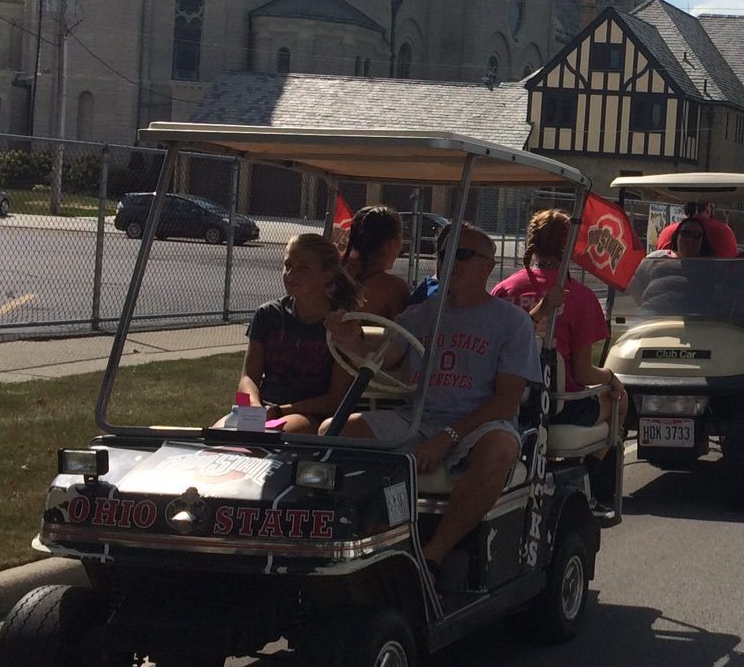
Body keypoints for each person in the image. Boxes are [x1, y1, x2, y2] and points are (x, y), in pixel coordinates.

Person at [336, 222, 541, 589]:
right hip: (419, 416)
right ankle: (367, 539)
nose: (452, 263)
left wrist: (447, 437)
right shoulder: (420, 315)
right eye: (445, 255)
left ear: (488, 266)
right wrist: (350, 340)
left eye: (463, 255)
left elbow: (506, 400)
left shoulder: (512, 322)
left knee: (500, 448)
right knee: (338, 431)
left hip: (478, 425)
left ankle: (432, 555)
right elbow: (383, 360)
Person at [492, 207, 625, 434]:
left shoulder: (504, 290)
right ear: (570, 244)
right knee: (620, 400)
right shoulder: (581, 296)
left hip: (511, 401)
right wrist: (612, 377)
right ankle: (596, 467)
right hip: (562, 405)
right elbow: (583, 373)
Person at [231, 233, 358, 431]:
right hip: (263, 411)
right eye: (288, 265)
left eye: (303, 268)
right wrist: (254, 407)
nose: (290, 274)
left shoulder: (341, 325)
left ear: (327, 275)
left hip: (309, 417)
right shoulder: (268, 314)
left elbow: (336, 399)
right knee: (215, 440)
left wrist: (281, 411)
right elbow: (247, 378)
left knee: (271, 435)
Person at [341, 205, 409, 319]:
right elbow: (404, 334)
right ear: (391, 245)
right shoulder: (394, 289)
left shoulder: (335, 276)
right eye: (400, 239)